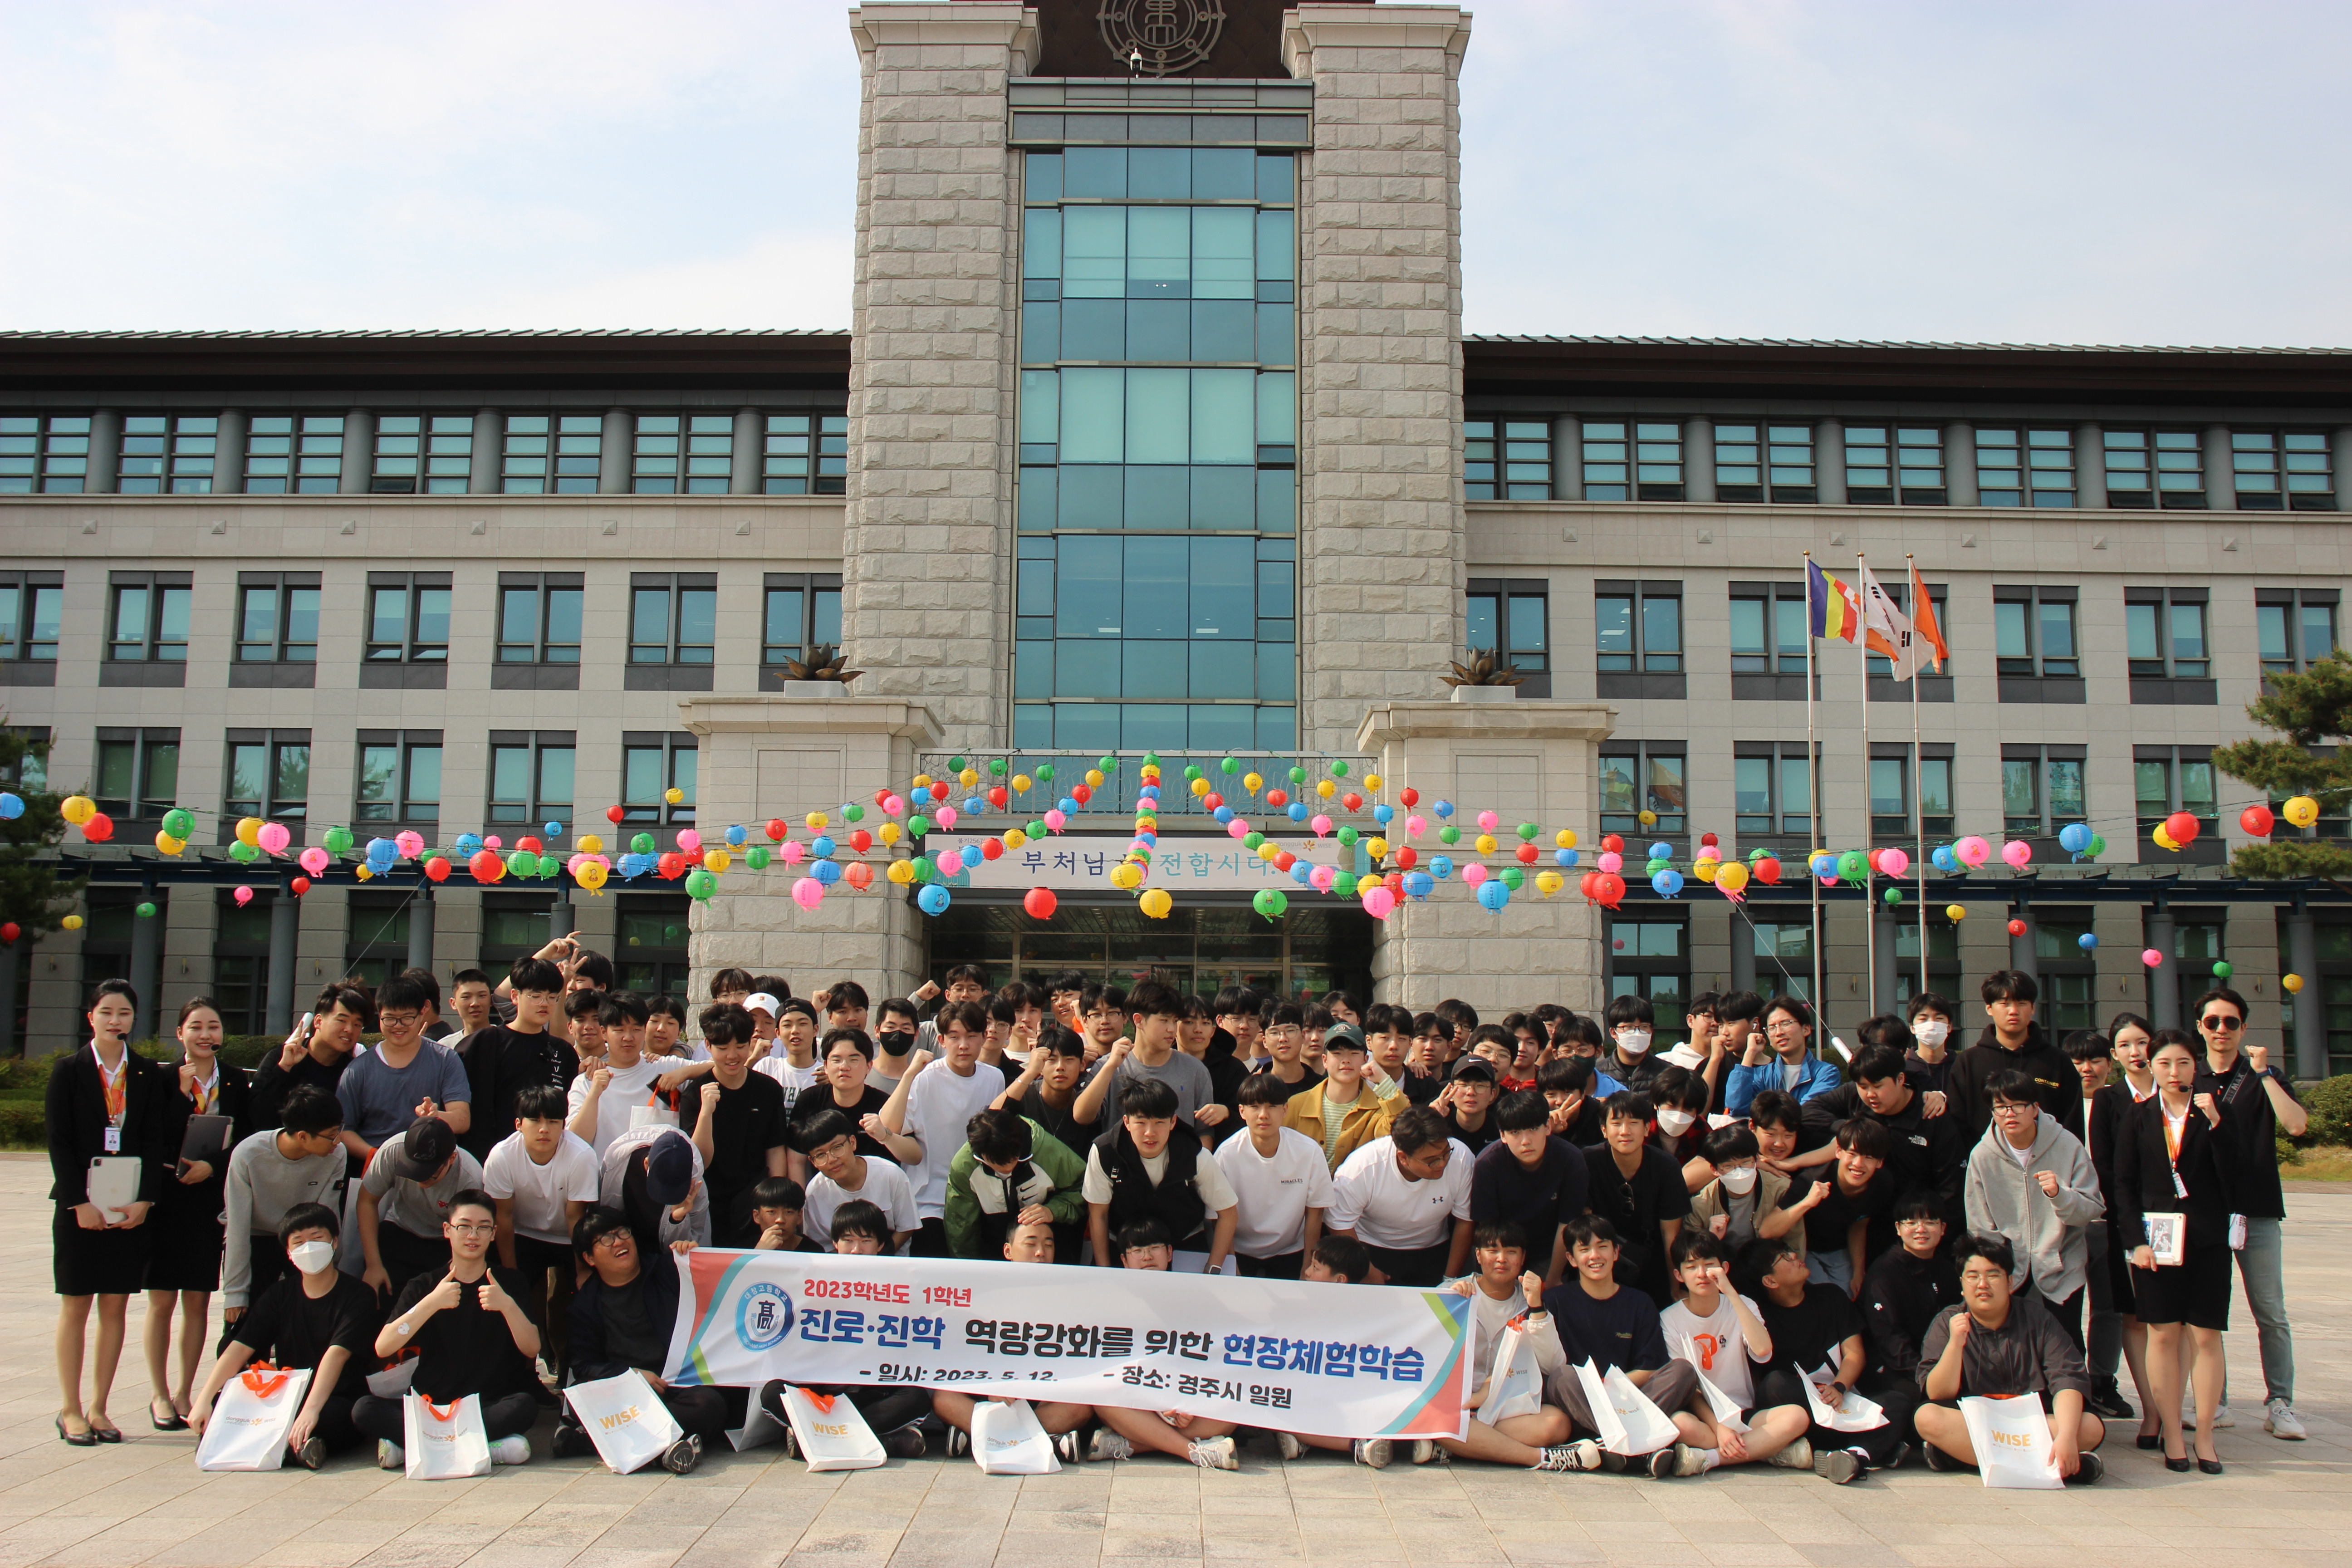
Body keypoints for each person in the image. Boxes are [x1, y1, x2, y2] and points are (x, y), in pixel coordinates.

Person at [49, 979, 167, 1445]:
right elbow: (58, 1141)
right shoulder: (69, 1070)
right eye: (107, 1013)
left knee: (115, 1304)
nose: (115, 1021)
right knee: (76, 1303)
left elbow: (155, 1139)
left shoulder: (145, 1072)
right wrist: (78, 1202)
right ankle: (70, 1409)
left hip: (126, 1204)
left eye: (124, 1014)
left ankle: (99, 1407)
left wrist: (146, 1200)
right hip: (80, 1206)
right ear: (91, 1017)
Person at [2116, 1031, 2238, 1473]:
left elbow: (2237, 1172)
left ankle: (2204, 1434)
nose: (2173, 1072)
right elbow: (2124, 1183)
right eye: (2164, 1063)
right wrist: (2136, 1242)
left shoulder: (2214, 1111)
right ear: (2151, 1066)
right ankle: (2171, 1432)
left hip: (2208, 1239)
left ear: (2195, 1067)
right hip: (2157, 1242)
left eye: (2183, 1063)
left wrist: (2218, 1124)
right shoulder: (2138, 1116)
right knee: (2163, 1334)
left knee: (2206, 1335)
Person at [2190, 985, 2305, 1440]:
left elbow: (2296, 1125)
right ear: (2200, 1027)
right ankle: (2215, 1402)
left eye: (2231, 1022)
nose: (2222, 1029)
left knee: (2270, 1311)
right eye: (2213, 1022)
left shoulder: (2263, 1075)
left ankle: (2280, 1403)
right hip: (2207, 1209)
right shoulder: (2189, 1075)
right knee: (2207, 1312)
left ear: (2243, 1028)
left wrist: (2264, 1075)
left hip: (2256, 1209)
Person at [357, 1190, 542, 1470]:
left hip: (486, 1404)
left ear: (493, 1234)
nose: (473, 1236)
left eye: (483, 1228)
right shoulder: (424, 1285)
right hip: (431, 1404)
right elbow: (384, 1346)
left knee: (524, 1406)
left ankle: (417, 1445)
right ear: (447, 1230)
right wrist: (431, 1303)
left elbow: (532, 1348)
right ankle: (487, 1447)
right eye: (464, 1226)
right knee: (364, 1410)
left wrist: (507, 1305)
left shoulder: (510, 1283)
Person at [189, 1202, 380, 1469]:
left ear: (334, 1242)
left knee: (340, 1417)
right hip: (288, 1394)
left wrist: (311, 1410)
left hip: (337, 1396)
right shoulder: (279, 1295)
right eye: (298, 1242)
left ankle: (272, 1445)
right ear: (289, 1253)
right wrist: (203, 1400)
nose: (308, 1248)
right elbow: (240, 1348)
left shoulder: (359, 1295)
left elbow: (336, 1354)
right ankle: (295, 1450)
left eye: (317, 1238)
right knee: (222, 1405)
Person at [142, 994, 255, 1430]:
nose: (205, 1035)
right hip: (168, 1200)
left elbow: (245, 1138)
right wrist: (181, 1094)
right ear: (180, 1034)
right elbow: (153, 1134)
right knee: (161, 1302)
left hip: (208, 1200)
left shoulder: (235, 1081)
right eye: (196, 1027)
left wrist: (214, 1166)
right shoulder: (163, 1078)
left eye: (213, 1027)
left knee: (197, 1299)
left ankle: (184, 1392)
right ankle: (158, 1394)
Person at [1912, 1233, 2106, 1482]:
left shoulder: (2038, 1319)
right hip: (1977, 1419)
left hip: (2032, 1419)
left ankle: (1961, 1458)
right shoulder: (1947, 1322)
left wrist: (2067, 1437)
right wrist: (1955, 1345)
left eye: (1993, 1275)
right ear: (1962, 1284)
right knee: (1927, 1417)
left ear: (2010, 1282)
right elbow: (1937, 1393)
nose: (1983, 1284)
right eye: (1973, 1276)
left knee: (2090, 1426)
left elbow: (2067, 1378)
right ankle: (2054, 1467)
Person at [552, 1206, 724, 1474]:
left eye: (623, 1232)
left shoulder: (666, 1269)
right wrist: (630, 1376)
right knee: (586, 1399)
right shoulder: (584, 1306)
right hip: (626, 1395)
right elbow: (584, 1365)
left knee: (709, 1405)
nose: (619, 1242)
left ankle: (607, 1442)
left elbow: (713, 1290)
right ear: (589, 1258)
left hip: (674, 1388)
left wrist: (692, 1257)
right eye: (606, 1239)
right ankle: (665, 1448)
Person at [1413, 1222, 1594, 1471]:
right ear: (1478, 1256)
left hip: (1504, 1405)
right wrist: (1451, 1305)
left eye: (1511, 1252)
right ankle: (1539, 1458)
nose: (1501, 1259)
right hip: (1456, 1403)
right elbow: (1421, 1350)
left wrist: (1537, 1308)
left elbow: (1553, 1365)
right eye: (1492, 1251)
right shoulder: (1451, 1292)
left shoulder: (1530, 1300)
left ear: (1523, 1258)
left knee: (1557, 1424)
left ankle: (1459, 1444)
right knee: (1432, 1416)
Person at [1541, 1215, 1710, 1477]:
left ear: (1616, 1252)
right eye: (1585, 1249)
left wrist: (1611, 1386)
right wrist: (1595, 1390)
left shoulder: (1639, 1303)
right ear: (1572, 1259)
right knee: (1562, 1376)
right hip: (1582, 1401)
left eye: (1603, 1246)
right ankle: (1639, 1449)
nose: (1595, 1256)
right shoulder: (1554, 1301)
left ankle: (1608, 1445)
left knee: (1683, 1370)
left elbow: (1651, 1367)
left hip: (1629, 1398)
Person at [930, 1217, 1097, 1463]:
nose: (1040, 1252)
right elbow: (967, 1352)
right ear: (1008, 1251)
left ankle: (980, 1435)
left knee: (1081, 1407)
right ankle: (1045, 1439)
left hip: (1042, 1393)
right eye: (1031, 1243)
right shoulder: (985, 1293)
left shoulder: (1068, 1295)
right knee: (944, 1399)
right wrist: (991, 1386)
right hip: (991, 1391)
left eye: (1048, 1245)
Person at [1083, 1220, 1245, 1469]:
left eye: (1154, 1248)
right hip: (1135, 1401)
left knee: (1236, 1403)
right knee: (1101, 1396)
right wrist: (1157, 1403)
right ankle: (1195, 1452)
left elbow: (1208, 1360)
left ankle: (1131, 1445)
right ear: (1124, 1261)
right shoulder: (1112, 1301)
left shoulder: (1196, 1297)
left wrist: (1186, 1403)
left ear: (1169, 1253)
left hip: (1186, 1398)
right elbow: (1110, 1365)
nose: (1147, 1257)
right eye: (1137, 1251)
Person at [1657, 1233, 1821, 1477]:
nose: (1702, 1274)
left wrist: (1731, 1294)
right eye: (1691, 1267)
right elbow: (1689, 1386)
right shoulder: (1669, 1319)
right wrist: (1719, 1428)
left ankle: (1709, 1459)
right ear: (1679, 1275)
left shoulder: (1743, 1303)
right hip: (1704, 1416)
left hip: (1743, 1412)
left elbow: (1763, 1351)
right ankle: (1768, 1452)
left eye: (1709, 1265)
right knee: (1680, 1424)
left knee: (1797, 1417)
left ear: (1724, 1268)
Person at [1744, 1235, 1907, 1476]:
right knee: (1775, 1384)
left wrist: (1839, 1388)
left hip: (1842, 1400)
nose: (1795, 1256)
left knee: (1899, 1402)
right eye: (1784, 1258)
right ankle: (1872, 1448)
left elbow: (1854, 1354)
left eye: (1790, 1252)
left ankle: (1853, 1455)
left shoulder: (1831, 1296)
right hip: (1804, 1410)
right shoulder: (1761, 1317)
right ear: (1770, 1281)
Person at [1963, 1069, 2103, 1348]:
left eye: (2018, 1105)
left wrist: (2060, 1195)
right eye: (2001, 1107)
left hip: (2062, 1262)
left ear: (2035, 1108)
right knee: (2009, 1345)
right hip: (2008, 1266)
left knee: (2066, 1344)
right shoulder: (1982, 1155)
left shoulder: (2067, 1145)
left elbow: (2092, 1209)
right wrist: (1996, 1268)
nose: (2010, 1114)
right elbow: (1980, 1225)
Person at [484, 1085, 601, 1381]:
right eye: (535, 1121)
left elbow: (575, 1217)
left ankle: (571, 1371)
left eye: (553, 1121)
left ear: (564, 1124)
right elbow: (503, 1217)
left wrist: (582, 1270)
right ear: (519, 1124)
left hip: (568, 1235)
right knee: (517, 1297)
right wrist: (512, 1274)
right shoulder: (501, 1156)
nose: (544, 1129)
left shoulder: (581, 1156)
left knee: (575, 1299)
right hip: (522, 1233)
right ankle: (523, 1374)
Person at [877, 1000, 1007, 1255]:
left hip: (980, 1195)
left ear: (984, 1038)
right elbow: (888, 1127)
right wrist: (909, 1075)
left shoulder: (995, 1078)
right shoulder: (926, 1078)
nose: (963, 1045)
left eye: (971, 1036)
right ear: (941, 1040)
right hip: (930, 1199)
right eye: (954, 1037)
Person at [222, 1086, 349, 1324]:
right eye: (332, 1135)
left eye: (339, 1131)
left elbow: (327, 1218)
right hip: (257, 1236)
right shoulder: (249, 1154)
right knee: (246, 1320)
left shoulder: (337, 1155)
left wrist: (330, 1267)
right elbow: (237, 1226)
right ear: (303, 1136)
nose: (338, 1141)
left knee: (306, 1319)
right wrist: (235, 1293)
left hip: (305, 1238)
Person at [2085, 1014, 2158, 1427]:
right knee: (2130, 1312)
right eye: (2126, 1045)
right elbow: (2106, 1168)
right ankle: (2152, 1408)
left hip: (2175, 1219)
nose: (2136, 1052)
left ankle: (2181, 1404)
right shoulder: (2108, 1100)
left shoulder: (2176, 1093)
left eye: (2142, 1042)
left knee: (2176, 1318)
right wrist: (2130, 1218)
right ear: (2115, 1054)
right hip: (2125, 1221)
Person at [1085, 1079, 1238, 1271]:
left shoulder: (1194, 1155)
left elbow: (1228, 1213)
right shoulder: (1105, 1152)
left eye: (1159, 1123)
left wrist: (1213, 1267)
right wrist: (1105, 1270)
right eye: (1141, 1123)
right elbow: (1098, 1215)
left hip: (1185, 1243)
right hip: (1124, 1246)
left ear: (1173, 1122)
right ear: (1127, 1122)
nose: (1150, 1133)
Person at [676, 1003, 791, 1247]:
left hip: (755, 1202)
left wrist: (775, 1202)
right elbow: (699, 1161)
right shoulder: (695, 1094)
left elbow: (775, 1150)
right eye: (722, 1048)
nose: (732, 1056)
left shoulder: (768, 1090)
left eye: (740, 1046)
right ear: (708, 1046)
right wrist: (706, 1112)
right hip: (709, 1203)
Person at [1326, 1105, 1473, 1286]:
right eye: (1432, 1161)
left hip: (1434, 1249)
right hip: (1371, 1249)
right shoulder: (1363, 1168)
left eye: (1445, 1154)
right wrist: (1367, 1270)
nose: (1442, 1164)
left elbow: (1465, 1221)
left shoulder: (1461, 1158)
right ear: (1403, 1158)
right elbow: (1340, 1223)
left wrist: (1450, 1280)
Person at [1855, 1194, 1955, 1457]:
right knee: (1923, 1403)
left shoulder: (1947, 1271)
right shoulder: (1884, 1272)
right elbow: (1889, 1338)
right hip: (1892, 1368)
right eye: (1911, 1222)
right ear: (1898, 1229)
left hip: (1934, 1368)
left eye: (1930, 1222)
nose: (1921, 1229)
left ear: (1943, 1228)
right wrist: (1926, 1376)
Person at [336, 971, 472, 1160]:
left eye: (407, 1018)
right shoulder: (358, 1070)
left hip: (430, 1163)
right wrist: (378, 1157)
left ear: (422, 1012)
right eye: (390, 1019)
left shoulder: (446, 1059)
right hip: (375, 1164)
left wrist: (436, 1116)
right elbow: (343, 1130)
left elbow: (462, 1120)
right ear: (380, 1016)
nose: (398, 1026)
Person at [1216, 1071, 1336, 1279]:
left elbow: (1315, 1212)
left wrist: (1307, 1266)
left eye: (1272, 1106)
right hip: (1240, 1249)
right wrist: (1232, 1266)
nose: (1263, 1115)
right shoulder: (1226, 1154)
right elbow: (1217, 1218)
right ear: (1242, 1111)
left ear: (1285, 1109)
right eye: (1255, 1107)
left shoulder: (1309, 1151)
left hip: (1292, 1249)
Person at [456, 958, 573, 1163]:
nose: (544, 1003)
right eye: (536, 996)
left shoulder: (563, 1052)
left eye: (552, 997)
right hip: (486, 1158)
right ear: (515, 996)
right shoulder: (483, 1043)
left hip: (547, 1162)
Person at [357, 1116, 486, 1300]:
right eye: (412, 1172)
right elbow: (367, 1201)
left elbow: (472, 1233)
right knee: (383, 1296)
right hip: (400, 1228)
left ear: (451, 1159)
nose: (420, 1181)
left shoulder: (470, 1178)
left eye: (430, 1176)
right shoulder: (392, 1150)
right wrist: (373, 1266)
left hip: (446, 1242)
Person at [1470, 1089, 1587, 1287]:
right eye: (1515, 1133)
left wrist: (1553, 1278)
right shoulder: (1488, 1164)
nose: (1526, 1141)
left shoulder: (1571, 1159)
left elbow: (1567, 1223)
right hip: (1502, 1248)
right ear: (1503, 1135)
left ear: (1547, 1127)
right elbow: (1488, 1228)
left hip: (1550, 1251)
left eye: (1533, 1129)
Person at [1948, 970, 2082, 1142]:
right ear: (1989, 1008)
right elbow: (1956, 1124)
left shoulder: (2058, 1061)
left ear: (2033, 1008)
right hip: (1984, 1157)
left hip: (2049, 1157)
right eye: (2005, 1004)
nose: (2013, 1011)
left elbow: (2073, 1125)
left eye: (2022, 1003)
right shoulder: (1968, 1063)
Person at [1582, 1092, 1689, 1307]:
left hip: (1652, 1260)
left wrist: (1675, 1289)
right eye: (1616, 1123)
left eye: (1633, 1123)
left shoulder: (1667, 1167)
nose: (1625, 1131)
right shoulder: (1586, 1161)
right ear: (1604, 1130)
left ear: (1647, 1128)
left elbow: (1670, 1235)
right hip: (1601, 1255)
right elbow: (1584, 1224)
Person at [1072, 979, 1219, 1134]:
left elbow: (1205, 1131)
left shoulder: (1194, 1069)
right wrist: (1110, 1067)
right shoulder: (1109, 1066)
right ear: (1139, 1020)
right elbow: (1082, 1116)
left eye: (1174, 1021)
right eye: (1164, 1020)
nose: (1171, 1029)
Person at [943, 1106, 1083, 1260]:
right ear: (982, 1155)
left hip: (1048, 1247)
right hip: (990, 1248)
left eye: (1014, 1159)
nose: (1009, 1168)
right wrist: (967, 1269)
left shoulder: (1047, 1151)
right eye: (999, 1165)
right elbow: (961, 1229)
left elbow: (1084, 1186)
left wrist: (1053, 1210)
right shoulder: (964, 1167)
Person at [1774, 1119, 1892, 1298]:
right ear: (1838, 1151)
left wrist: (1858, 1271)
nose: (1858, 1164)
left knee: (1849, 1295)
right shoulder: (1812, 1180)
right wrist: (1807, 1203)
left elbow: (1860, 1224)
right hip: (1803, 1248)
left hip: (1838, 1248)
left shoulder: (1883, 1183)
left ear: (1880, 1162)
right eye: (1852, 1154)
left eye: (1869, 1157)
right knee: (1825, 1296)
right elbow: (1767, 1230)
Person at [1281, 1022, 1405, 1171]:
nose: (1346, 1060)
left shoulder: (1379, 1111)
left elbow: (1403, 1133)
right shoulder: (1296, 1105)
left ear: (1366, 1060)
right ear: (1325, 1060)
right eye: (1337, 1054)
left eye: (1354, 1053)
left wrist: (1384, 1080)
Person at [251, 983, 369, 1132]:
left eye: (357, 1024)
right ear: (319, 1021)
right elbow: (257, 1116)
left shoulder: (352, 1072)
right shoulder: (282, 1057)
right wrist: (284, 1069)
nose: (350, 1030)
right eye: (342, 1021)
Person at [803, 1107, 922, 1250]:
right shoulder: (815, 1193)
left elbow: (907, 1227)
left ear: (852, 1142)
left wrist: (881, 1256)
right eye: (821, 1155)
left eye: (837, 1148)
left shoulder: (891, 1175)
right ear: (812, 1162)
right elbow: (821, 1245)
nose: (832, 1159)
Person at [567, 993, 668, 1156]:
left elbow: (711, 1066)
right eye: (619, 1030)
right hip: (602, 1171)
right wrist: (594, 1094)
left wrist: (682, 1073)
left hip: (653, 1171)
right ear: (604, 1032)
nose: (628, 1037)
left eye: (636, 1029)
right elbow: (575, 1142)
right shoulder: (586, 1082)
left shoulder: (663, 1068)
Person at [1686, 1123, 1802, 1260]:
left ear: (1756, 1160)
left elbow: (1795, 1245)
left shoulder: (1782, 1190)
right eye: (1729, 1166)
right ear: (1714, 1170)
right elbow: (1691, 1257)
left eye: (1746, 1163)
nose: (1739, 1172)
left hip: (1769, 1264)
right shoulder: (1700, 1204)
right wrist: (1711, 1238)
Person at [792, 1028, 909, 1165]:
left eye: (854, 1060)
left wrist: (886, 1136)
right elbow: (796, 1161)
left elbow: (914, 1156)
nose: (844, 1067)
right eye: (836, 1060)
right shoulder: (809, 1101)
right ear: (826, 1066)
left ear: (869, 1066)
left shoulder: (885, 1105)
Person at [601, 1125, 710, 1255]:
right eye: (661, 1185)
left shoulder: (695, 1186)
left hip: (665, 1261)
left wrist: (677, 1220)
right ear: (647, 1164)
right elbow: (604, 1216)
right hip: (627, 1253)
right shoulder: (617, 1165)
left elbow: (692, 1246)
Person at [1725, 997, 1840, 1117]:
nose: (1779, 1032)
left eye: (1786, 1024)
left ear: (1806, 1029)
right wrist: (1750, 1053)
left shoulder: (1826, 1073)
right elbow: (1736, 1106)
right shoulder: (1762, 1075)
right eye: (1772, 1028)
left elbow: (1809, 1110)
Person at [991, 1025, 1092, 1152]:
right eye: (1051, 1060)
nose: (1060, 1067)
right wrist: (1031, 1071)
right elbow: (991, 1118)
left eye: (1069, 1060)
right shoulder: (1025, 1095)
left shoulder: (1085, 1101)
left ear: (1082, 1064)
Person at [1537, 1056, 1607, 1147]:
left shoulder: (1602, 1116)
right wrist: (1548, 1131)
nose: (1560, 1101)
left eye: (1568, 1093)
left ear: (1583, 1094)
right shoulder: (1536, 1120)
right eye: (1551, 1095)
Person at [749, 1176, 829, 1252]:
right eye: (772, 1212)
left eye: (789, 1212)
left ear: (799, 1216)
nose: (780, 1220)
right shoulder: (746, 1248)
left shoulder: (812, 1251)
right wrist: (759, 1251)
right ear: (757, 1216)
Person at [1256, 1000, 1323, 1090]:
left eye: (1290, 1031)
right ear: (1264, 1041)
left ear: (1303, 1036)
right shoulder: (1256, 1088)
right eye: (1274, 1033)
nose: (1283, 1039)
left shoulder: (1322, 1087)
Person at [1601, 995, 1662, 1091]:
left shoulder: (1667, 1075)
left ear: (1651, 1031)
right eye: (1629, 1027)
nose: (1637, 1033)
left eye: (1644, 1027)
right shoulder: (1598, 1075)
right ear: (1613, 1032)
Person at [1902, 992, 1959, 1094]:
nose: (1932, 1025)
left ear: (1949, 1027)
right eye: (1923, 1019)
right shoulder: (1904, 1067)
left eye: (1939, 1019)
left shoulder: (1961, 1066)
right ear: (1912, 1028)